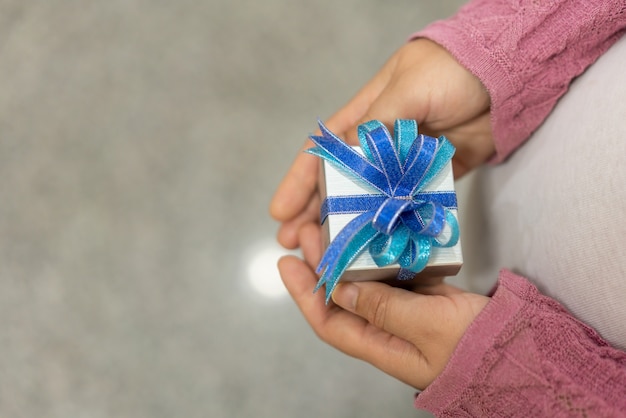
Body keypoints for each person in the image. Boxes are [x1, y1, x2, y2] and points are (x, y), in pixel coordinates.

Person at [270, 0, 626, 416]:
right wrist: (502, 49)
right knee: (474, 235)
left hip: (501, 310)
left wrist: (517, 382)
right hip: (520, 149)